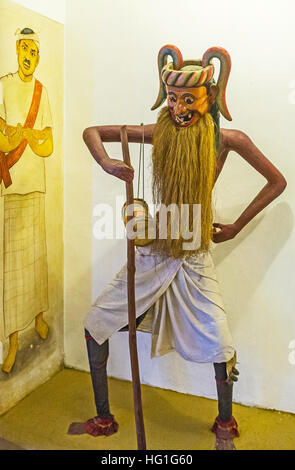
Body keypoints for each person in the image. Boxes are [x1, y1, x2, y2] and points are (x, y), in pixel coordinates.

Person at [69, 45, 286, 450]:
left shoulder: (227, 140)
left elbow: (277, 182)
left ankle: (225, 421)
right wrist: (107, 164)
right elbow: (93, 132)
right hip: (153, 250)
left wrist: (237, 225)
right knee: (95, 324)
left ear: (210, 97)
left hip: (193, 253)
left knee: (220, 342)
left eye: (189, 99)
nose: (179, 107)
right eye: (172, 98)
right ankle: (103, 416)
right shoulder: (158, 132)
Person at [0, 28, 54, 374]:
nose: (27, 56)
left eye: (33, 51)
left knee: (36, 259)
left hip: (36, 186)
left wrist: (33, 138)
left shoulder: (41, 92)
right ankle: (12, 339)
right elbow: (2, 142)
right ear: (16, 51)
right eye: (23, 49)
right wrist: (14, 135)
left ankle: (38, 317)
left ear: (38, 56)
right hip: (12, 189)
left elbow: (48, 145)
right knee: (11, 269)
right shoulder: (3, 86)